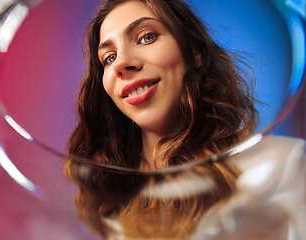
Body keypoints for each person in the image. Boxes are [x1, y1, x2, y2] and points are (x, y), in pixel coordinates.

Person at [65, 0, 258, 238]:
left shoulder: (279, 171)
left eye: (146, 37)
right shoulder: (106, 212)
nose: (122, 64)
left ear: (194, 52)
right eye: (110, 57)